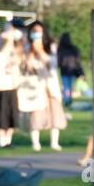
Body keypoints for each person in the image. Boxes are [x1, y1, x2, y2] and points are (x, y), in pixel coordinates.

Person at [26, 21, 66, 150]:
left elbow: (52, 64)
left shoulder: (51, 46)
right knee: (36, 114)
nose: (36, 34)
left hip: (50, 84)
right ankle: (35, 143)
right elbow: (27, 67)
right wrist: (32, 52)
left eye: (38, 31)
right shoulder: (27, 47)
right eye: (34, 31)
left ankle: (54, 142)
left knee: (55, 113)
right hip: (35, 85)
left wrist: (41, 51)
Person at [0, 27, 22, 147]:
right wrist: (9, 38)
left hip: (12, 87)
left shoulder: (15, 53)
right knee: (1, 115)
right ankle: (2, 141)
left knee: (12, 114)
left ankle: (8, 140)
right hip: (1, 87)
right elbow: (1, 59)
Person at [57, 32, 83, 107]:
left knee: (65, 86)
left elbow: (59, 60)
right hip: (72, 69)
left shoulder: (60, 49)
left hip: (64, 69)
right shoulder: (73, 48)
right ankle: (69, 99)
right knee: (70, 85)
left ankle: (66, 100)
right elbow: (77, 60)